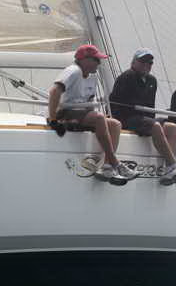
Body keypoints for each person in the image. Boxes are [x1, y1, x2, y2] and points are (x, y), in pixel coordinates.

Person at [46, 44, 130, 183]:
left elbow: (89, 103)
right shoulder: (73, 71)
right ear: (84, 59)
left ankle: (107, 167)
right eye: (96, 60)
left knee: (115, 124)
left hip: (81, 113)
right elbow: (54, 91)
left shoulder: (92, 77)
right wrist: (53, 119)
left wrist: (100, 121)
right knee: (99, 118)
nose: (99, 63)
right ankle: (115, 162)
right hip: (65, 112)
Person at [109, 49, 176, 185]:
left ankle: (168, 169)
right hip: (127, 118)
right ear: (134, 62)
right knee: (155, 125)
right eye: (142, 61)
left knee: (173, 127)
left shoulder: (152, 80)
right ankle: (173, 165)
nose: (146, 65)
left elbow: (150, 106)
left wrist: (150, 120)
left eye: (150, 62)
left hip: (144, 119)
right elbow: (115, 103)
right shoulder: (127, 77)